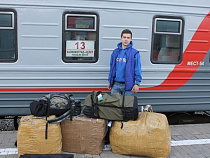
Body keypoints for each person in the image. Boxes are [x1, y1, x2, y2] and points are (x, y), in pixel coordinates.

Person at [107, 29, 142, 96]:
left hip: (129, 86)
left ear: (131, 39)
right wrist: (110, 81)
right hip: (116, 85)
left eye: (128, 38)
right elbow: (111, 68)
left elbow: (138, 69)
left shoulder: (135, 53)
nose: (126, 39)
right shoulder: (115, 52)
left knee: (127, 106)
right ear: (121, 38)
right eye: (124, 37)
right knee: (115, 106)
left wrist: (137, 83)